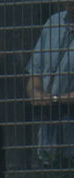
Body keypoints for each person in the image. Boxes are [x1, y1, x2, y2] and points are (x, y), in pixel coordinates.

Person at [27, 0, 74, 167]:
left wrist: (54, 99)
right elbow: (35, 72)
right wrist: (35, 93)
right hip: (48, 137)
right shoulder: (53, 23)